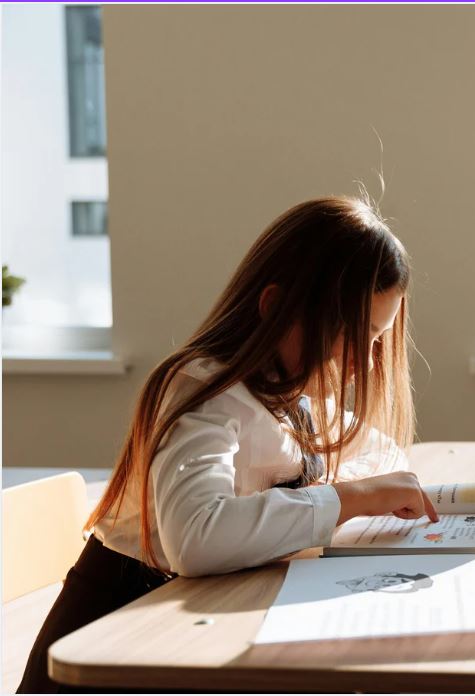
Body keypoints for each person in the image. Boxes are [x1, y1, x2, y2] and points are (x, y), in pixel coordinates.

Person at [19, 196, 438, 693]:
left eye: (376, 342)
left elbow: (383, 456)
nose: (364, 365)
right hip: (111, 638)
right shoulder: (202, 390)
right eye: (355, 335)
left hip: (182, 631)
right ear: (278, 309)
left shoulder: (292, 394)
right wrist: (350, 498)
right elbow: (196, 538)